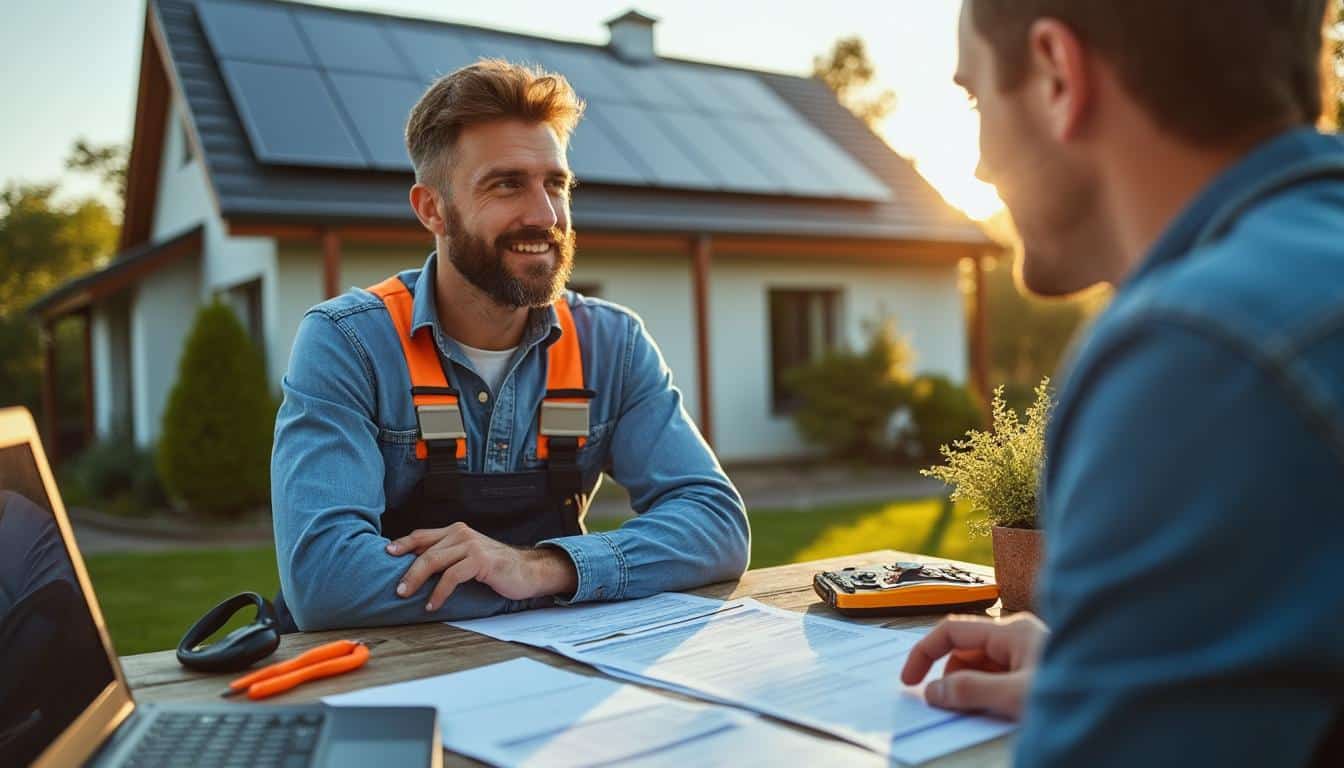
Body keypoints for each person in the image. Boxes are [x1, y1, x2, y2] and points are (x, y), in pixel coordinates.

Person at [900, 1, 1344, 764]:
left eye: (975, 99)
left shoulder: (1197, 357)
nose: (976, 166)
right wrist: (1120, 666)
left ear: (1057, 74)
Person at [271, 60, 749, 631]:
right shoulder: (350, 343)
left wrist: (541, 568)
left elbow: (717, 526)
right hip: (395, 672)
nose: (545, 215)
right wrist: (546, 584)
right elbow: (325, 581)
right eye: (507, 185)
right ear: (432, 209)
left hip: (559, 667)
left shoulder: (611, 344)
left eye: (556, 184)